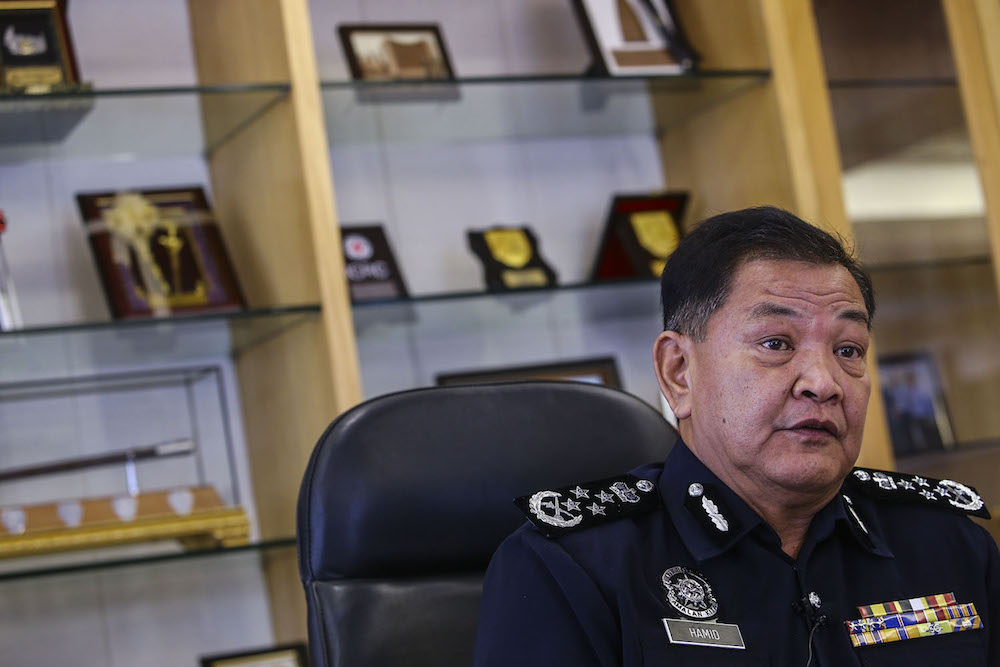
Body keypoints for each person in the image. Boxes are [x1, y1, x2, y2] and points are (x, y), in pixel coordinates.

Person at [474, 206, 998, 666]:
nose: (823, 383)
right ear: (679, 371)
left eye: (848, 350)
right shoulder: (572, 567)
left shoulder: (950, 545)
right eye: (775, 342)